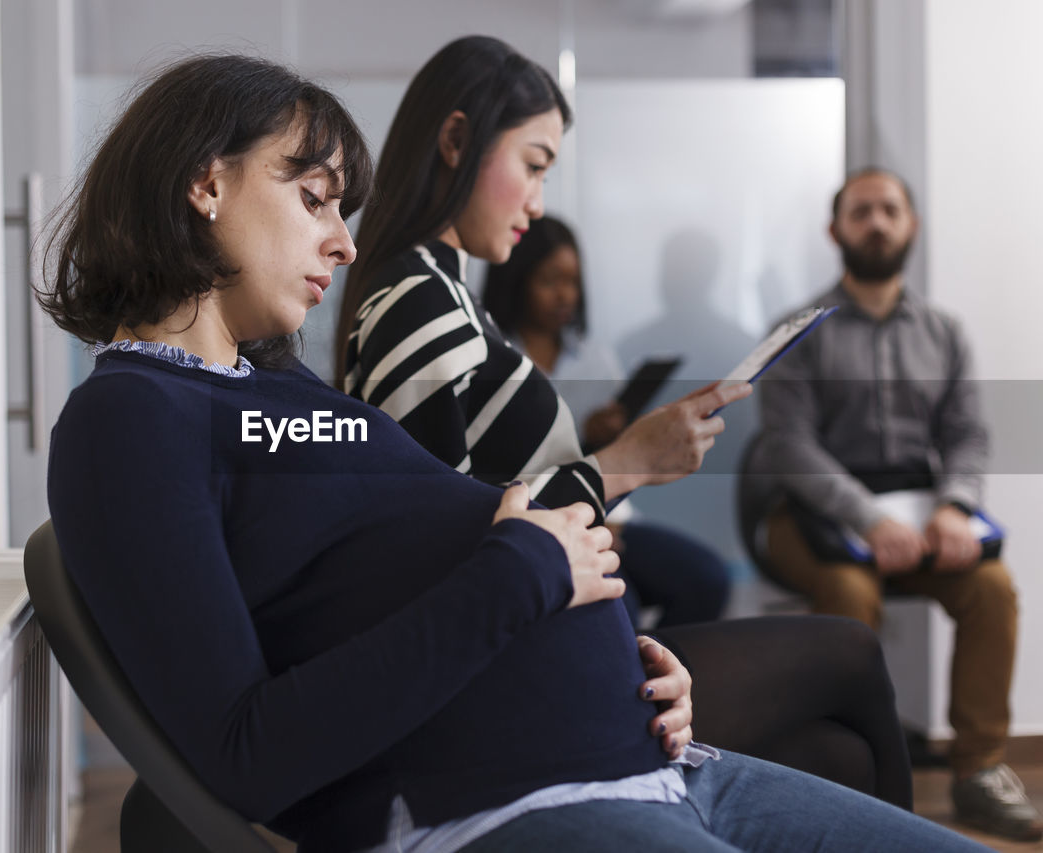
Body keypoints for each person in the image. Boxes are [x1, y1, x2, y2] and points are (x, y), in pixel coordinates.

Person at [41, 54, 983, 852]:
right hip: (508, 801)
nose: (342, 239)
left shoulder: (274, 394)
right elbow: (245, 753)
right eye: (314, 196)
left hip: (652, 762)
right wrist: (525, 568)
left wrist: (622, 665)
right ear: (205, 183)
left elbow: (403, 572)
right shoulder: (130, 420)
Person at [332, 35, 913, 808]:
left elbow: (477, 506)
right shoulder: (419, 302)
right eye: (534, 164)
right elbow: (444, 551)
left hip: (559, 650)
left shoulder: (445, 296)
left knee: (836, 752)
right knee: (849, 655)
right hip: (523, 687)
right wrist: (623, 464)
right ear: (456, 141)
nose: (538, 201)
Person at [739, 167, 1042, 843]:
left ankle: (979, 770)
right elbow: (788, 444)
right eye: (860, 212)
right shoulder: (798, 330)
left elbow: (968, 434)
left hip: (919, 513)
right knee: (850, 588)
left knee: (992, 587)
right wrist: (865, 517)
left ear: (911, 225)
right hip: (811, 514)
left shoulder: (946, 332)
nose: (876, 222)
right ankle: (854, 781)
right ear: (835, 230)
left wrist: (956, 507)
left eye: (889, 210)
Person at [482, 213, 732, 628]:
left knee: (707, 579)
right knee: (618, 608)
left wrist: (614, 435)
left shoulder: (595, 357)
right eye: (549, 281)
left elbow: (621, 453)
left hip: (611, 510)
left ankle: (661, 675)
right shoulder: (493, 359)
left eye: (573, 282)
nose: (565, 295)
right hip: (541, 517)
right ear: (517, 281)